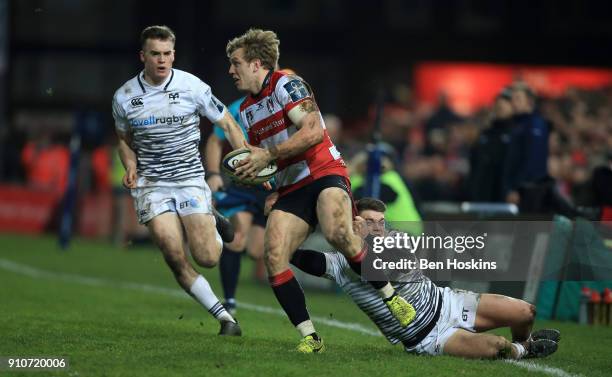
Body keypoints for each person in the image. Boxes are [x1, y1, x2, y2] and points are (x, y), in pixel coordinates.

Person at [225, 28, 415, 353]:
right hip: (292, 187)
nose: (231, 70)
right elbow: (267, 160)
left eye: (236, 63)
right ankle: (311, 338)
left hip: (324, 171)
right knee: (274, 255)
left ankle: (390, 296)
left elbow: (312, 132)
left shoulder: (287, 83)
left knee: (337, 232)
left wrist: (267, 156)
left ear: (256, 64)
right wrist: (263, 179)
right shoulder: (245, 110)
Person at [291, 198, 560, 359]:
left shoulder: (397, 241)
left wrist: (363, 243)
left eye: (380, 222)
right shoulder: (340, 263)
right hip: (428, 337)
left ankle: (526, 341)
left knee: (526, 312)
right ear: (354, 224)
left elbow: (380, 267)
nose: (376, 227)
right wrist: (283, 246)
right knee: (499, 348)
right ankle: (524, 351)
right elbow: (309, 260)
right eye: (369, 221)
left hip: (448, 303)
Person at [112, 25, 245, 336]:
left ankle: (211, 217)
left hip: (189, 180)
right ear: (142, 56)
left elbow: (227, 121)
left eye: (167, 54)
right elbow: (123, 139)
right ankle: (226, 319)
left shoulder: (192, 86)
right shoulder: (124, 96)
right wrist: (130, 165)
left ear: (174, 54)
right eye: (155, 54)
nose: (162, 60)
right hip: (152, 185)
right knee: (173, 254)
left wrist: (247, 159)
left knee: (208, 257)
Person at [205, 96, 268, 314]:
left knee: (256, 251)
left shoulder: (287, 101)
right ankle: (229, 300)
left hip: (272, 186)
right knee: (237, 240)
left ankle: (378, 284)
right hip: (243, 182)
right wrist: (213, 173)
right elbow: (215, 139)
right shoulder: (237, 107)